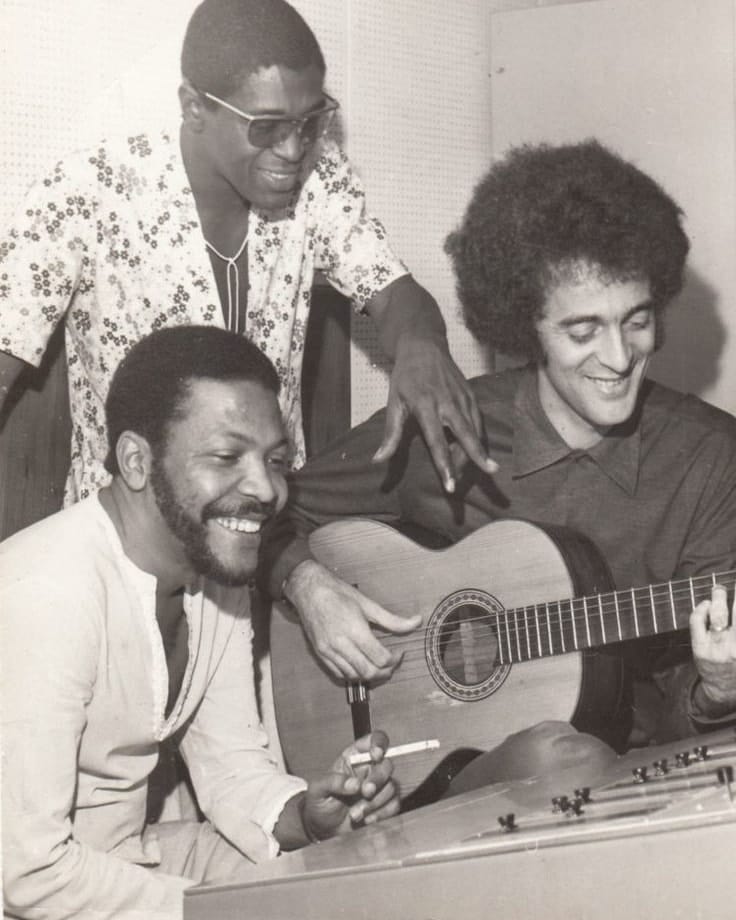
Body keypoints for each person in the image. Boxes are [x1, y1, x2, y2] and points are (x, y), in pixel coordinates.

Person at [261, 140, 736, 785]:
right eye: (582, 331)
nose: (620, 357)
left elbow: (691, 722)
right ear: (525, 326)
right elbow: (264, 509)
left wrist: (716, 690)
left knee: (565, 758)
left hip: (625, 780)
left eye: (637, 321)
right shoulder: (449, 426)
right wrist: (307, 586)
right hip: (431, 777)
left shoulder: (709, 460)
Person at [0, 0, 494, 505]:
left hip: (265, 518)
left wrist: (420, 344)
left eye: (310, 122)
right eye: (266, 127)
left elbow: (397, 297)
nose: (293, 150)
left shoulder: (320, 182)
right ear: (194, 107)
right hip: (134, 531)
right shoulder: (89, 192)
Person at [1, 325, 399, 920]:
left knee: (354, 887)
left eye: (275, 460)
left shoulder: (214, 575)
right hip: (31, 890)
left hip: (121, 865)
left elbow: (231, 770)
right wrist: (230, 911)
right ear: (137, 461)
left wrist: (312, 820)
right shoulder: (45, 593)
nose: (266, 489)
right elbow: (28, 874)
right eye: (226, 457)